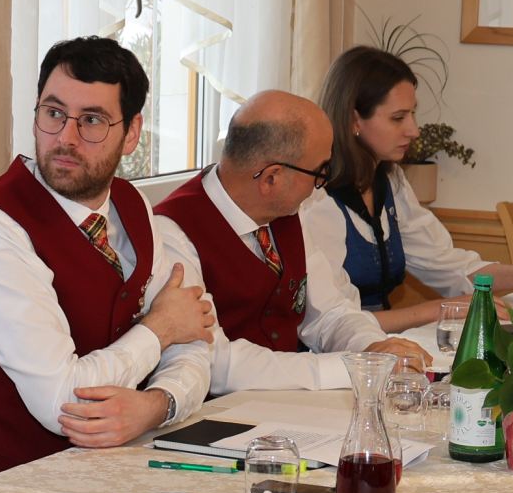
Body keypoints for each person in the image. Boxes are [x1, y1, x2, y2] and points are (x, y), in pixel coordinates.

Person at [0, 37, 215, 493]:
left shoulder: (132, 206)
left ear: (132, 133)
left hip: (93, 478)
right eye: (53, 113)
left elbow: (195, 338)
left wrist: (157, 404)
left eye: (91, 120)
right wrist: (160, 329)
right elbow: (62, 402)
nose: (65, 139)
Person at [151, 88, 431, 391]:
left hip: (285, 406)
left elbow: (330, 312)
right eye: (320, 171)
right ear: (272, 177)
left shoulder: (288, 213)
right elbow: (214, 361)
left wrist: (372, 347)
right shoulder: (172, 232)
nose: (321, 183)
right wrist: (350, 368)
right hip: (212, 411)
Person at [304, 44, 513, 330]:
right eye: (398, 118)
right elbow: (334, 322)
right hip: (334, 351)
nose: (414, 130)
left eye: (412, 114)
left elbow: (448, 266)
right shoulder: (316, 199)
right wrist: (442, 309)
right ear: (354, 120)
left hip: (379, 343)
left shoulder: (391, 182)